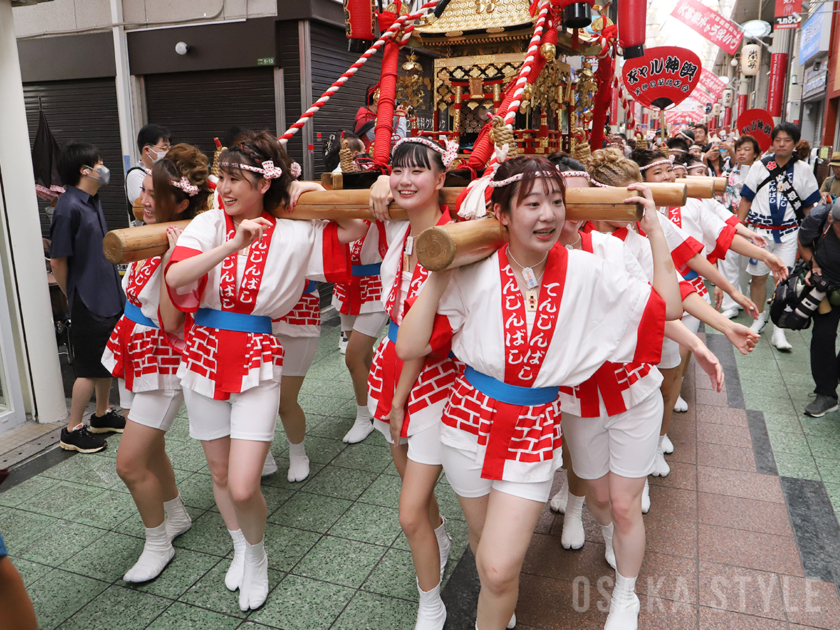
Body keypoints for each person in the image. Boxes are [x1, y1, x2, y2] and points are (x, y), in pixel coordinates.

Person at [397, 155, 683, 630]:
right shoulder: (474, 268)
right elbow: (409, 345)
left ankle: (501, 597)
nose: (548, 214)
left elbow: (667, 306)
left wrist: (654, 229)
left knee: (499, 565)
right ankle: (499, 605)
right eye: (532, 203)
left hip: (533, 430)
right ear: (503, 215)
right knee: (482, 541)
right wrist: (439, 271)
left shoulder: (588, 271)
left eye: (555, 201)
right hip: (467, 421)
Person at [165, 130, 366, 611]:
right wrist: (232, 245)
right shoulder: (210, 224)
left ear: (264, 184)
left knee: (243, 482)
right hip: (202, 354)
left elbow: (355, 227)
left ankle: (256, 555)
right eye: (223, 178)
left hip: (256, 354)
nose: (226, 188)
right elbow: (175, 277)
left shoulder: (295, 230)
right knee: (218, 470)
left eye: (237, 179)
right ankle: (240, 546)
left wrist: (314, 192)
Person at [104, 144, 210, 582]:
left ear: (182, 202)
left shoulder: (184, 243)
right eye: (143, 190)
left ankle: (158, 543)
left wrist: (170, 261)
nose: (144, 200)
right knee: (153, 448)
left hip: (162, 360)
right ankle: (175, 514)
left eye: (154, 193)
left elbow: (170, 319)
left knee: (128, 463)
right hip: (134, 349)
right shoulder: (150, 233)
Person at [366, 138, 459, 630]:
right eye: (398, 169)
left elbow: (431, 339)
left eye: (418, 171)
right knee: (413, 489)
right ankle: (438, 537)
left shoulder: (458, 235)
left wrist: (400, 397)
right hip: (392, 367)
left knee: (407, 512)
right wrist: (378, 181)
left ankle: (431, 602)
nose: (404, 179)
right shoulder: (399, 232)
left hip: (437, 379)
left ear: (441, 179)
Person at [51, 142, 126, 453]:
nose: (103, 167)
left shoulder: (91, 201)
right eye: (99, 162)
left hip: (108, 295)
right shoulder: (68, 206)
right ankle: (72, 430)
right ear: (85, 170)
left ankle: (101, 416)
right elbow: (58, 261)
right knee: (87, 367)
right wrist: (73, 294)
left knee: (105, 360)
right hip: (87, 299)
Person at [737, 123, 821, 351]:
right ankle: (758, 319)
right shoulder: (759, 167)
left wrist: (815, 232)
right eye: (778, 140)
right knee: (758, 277)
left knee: (784, 281)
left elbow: (808, 206)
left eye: (787, 140)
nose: (782, 144)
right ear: (772, 142)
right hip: (759, 232)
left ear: (795, 144)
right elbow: (746, 198)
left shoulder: (803, 169)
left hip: (788, 231)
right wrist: (736, 226)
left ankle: (779, 329)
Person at [332, 222, 389, 443]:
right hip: (346, 285)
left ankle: (364, 418)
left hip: (375, 288)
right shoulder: (339, 211)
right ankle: (376, 401)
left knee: (353, 357)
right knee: (363, 355)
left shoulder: (383, 209)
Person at [799, 198, 840, 417]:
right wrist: (812, 264)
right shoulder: (818, 217)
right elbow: (803, 241)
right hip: (826, 285)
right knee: (823, 337)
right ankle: (826, 394)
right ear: (833, 219)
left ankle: (833, 377)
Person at [720, 135, 762, 318]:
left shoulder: (761, 175)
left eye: (747, 149)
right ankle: (729, 304)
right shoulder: (727, 174)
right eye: (739, 150)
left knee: (746, 266)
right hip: (728, 223)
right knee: (727, 262)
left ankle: (741, 298)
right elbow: (720, 198)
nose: (742, 153)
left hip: (751, 225)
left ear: (756, 154)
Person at [125, 124, 172, 207]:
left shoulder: (167, 172)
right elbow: (144, 206)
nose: (168, 152)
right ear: (147, 150)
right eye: (164, 148)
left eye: (169, 148)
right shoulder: (136, 175)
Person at [355, 83, 407, 152]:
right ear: (376, 101)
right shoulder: (367, 121)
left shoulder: (369, 118)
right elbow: (399, 143)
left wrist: (398, 117)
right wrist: (401, 116)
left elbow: (390, 131)